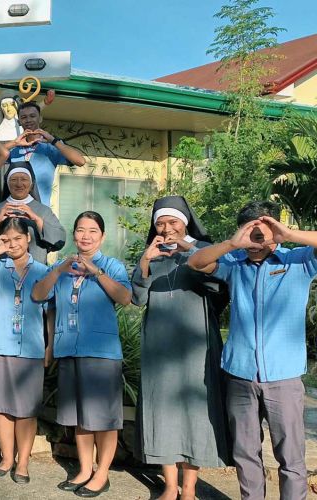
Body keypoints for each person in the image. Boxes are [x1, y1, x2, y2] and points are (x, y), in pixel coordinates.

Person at [188, 200, 316, 500]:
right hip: (240, 373)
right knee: (245, 453)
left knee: (291, 457)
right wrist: (232, 243)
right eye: (250, 232)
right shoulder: (235, 264)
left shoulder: (298, 261)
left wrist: (288, 234)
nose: (255, 242)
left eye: (263, 232)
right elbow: (195, 263)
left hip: (284, 377)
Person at [131, 196, 231, 500]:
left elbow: (221, 283)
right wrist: (146, 260)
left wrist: (190, 248)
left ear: (185, 222)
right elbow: (137, 298)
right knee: (161, 411)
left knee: (195, 412)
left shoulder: (202, 251)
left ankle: (189, 488)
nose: (166, 228)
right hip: (159, 347)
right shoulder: (152, 255)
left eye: (172, 221)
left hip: (196, 345)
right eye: (160, 222)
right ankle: (170, 486)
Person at [32, 211, 131, 498]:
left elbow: (125, 298)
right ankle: (85, 469)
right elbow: (40, 297)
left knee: (104, 418)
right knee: (79, 417)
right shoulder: (63, 267)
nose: (85, 236)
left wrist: (96, 273)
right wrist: (59, 271)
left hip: (100, 353)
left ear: (102, 236)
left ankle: (102, 475)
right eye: (80, 230)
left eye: (92, 231)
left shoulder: (112, 266)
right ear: (73, 234)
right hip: (68, 349)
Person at [0, 217, 49, 484]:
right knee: (1, 407)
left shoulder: (42, 270)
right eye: (7, 239)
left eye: (18, 238)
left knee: (26, 410)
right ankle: (7, 458)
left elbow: (50, 312)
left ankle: (23, 462)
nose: (13, 244)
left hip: (30, 349)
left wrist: (49, 345)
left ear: (28, 239)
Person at [0, 101, 86, 207]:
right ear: (19, 121)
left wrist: (53, 140)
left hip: (40, 212)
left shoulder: (51, 147)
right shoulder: (15, 147)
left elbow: (80, 161)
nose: (28, 120)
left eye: (32, 116)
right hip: (15, 212)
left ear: (40, 118)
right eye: (23, 117)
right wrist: (14, 143)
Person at [0, 163, 66, 263]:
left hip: (35, 275)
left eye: (24, 179)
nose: (19, 184)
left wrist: (37, 220)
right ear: (7, 183)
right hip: (1, 274)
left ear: (31, 184)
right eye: (13, 179)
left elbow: (59, 242)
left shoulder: (43, 211)